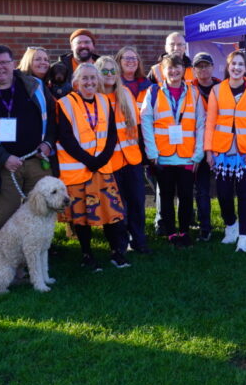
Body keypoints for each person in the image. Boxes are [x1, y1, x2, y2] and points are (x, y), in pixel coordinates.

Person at [0, 45, 57, 232]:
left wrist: (48, 143)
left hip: (37, 161)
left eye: (4, 62)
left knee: (41, 212)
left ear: (13, 64)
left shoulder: (35, 85)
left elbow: (53, 118)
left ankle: (38, 253)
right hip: (4, 165)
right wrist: (3, 158)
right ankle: (5, 258)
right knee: (5, 216)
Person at [55, 64, 130, 269]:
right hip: (78, 170)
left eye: (93, 79)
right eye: (85, 79)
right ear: (76, 82)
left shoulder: (104, 101)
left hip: (102, 168)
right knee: (82, 217)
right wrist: (90, 160)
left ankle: (116, 252)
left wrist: (103, 158)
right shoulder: (65, 103)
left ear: (98, 82)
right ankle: (87, 254)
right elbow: (66, 138)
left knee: (110, 214)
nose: (89, 83)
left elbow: (112, 134)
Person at [204, 50, 246, 253]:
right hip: (222, 150)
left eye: (241, 64)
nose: (237, 68)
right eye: (234, 64)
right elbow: (210, 123)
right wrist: (208, 150)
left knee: (244, 194)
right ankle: (230, 225)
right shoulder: (216, 90)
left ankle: (243, 237)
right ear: (228, 67)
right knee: (222, 194)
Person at [141, 55, 205, 248]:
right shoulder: (153, 92)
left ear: (184, 70)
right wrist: (152, 153)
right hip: (163, 157)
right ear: (162, 70)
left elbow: (201, 124)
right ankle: (170, 233)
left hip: (187, 156)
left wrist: (198, 153)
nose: (174, 71)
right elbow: (146, 122)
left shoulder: (194, 92)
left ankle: (184, 231)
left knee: (186, 197)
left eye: (178, 68)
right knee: (166, 197)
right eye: (170, 68)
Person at [96, 55, 151, 254]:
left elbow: (136, 125)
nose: (110, 75)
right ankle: (119, 244)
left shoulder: (126, 93)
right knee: (116, 206)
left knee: (137, 201)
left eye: (113, 71)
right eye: (105, 71)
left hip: (131, 158)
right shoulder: (94, 98)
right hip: (108, 162)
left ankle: (139, 240)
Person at [190, 52, 220, 240]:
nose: (203, 69)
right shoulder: (188, 90)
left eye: (206, 65)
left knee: (225, 188)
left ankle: (231, 223)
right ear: (193, 70)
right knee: (201, 189)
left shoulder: (222, 88)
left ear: (212, 67)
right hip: (197, 146)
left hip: (222, 145)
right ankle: (205, 227)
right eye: (199, 66)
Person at [56, 29, 101, 94]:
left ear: (93, 46)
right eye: (78, 43)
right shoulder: (59, 68)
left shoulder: (102, 66)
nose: (83, 46)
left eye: (87, 42)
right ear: (71, 47)